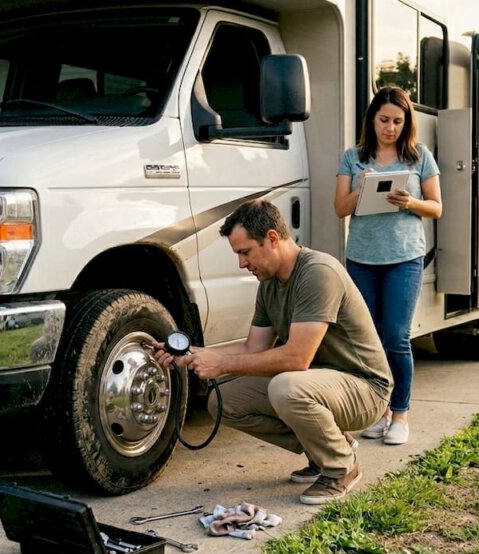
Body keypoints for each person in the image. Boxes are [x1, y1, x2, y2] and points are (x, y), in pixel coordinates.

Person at [155, 200, 392, 505]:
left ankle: (341, 467)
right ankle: (324, 448)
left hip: (365, 388)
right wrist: (191, 354)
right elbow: (253, 348)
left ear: (272, 238)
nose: (242, 263)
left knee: (286, 386)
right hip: (319, 384)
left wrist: (222, 364)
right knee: (224, 401)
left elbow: (296, 358)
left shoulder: (317, 272)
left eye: (245, 252)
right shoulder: (269, 284)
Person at [333, 85, 442, 445]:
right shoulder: (353, 157)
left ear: (406, 122)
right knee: (369, 340)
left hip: (404, 258)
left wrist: (410, 202)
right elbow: (340, 209)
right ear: (372, 119)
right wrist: (361, 188)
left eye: (398, 121)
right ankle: (377, 413)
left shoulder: (419, 157)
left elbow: (436, 207)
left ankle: (401, 415)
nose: (390, 128)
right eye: (384, 120)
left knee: (396, 336)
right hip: (362, 258)